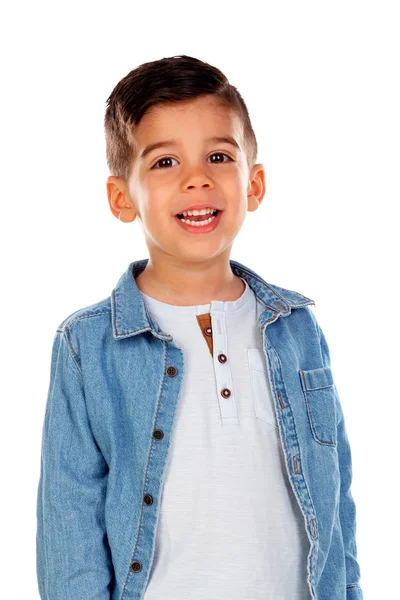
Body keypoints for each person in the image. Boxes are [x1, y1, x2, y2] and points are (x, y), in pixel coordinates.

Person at [36, 55, 364, 600]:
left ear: (254, 184)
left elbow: (336, 500)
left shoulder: (297, 327)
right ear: (122, 198)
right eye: (165, 163)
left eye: (218, 156)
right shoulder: (87, 347)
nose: (197, 179)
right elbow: (69, 524)